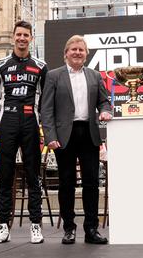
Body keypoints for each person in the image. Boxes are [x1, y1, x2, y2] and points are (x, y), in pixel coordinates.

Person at [41, 35, 112, 245]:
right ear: (66, 53)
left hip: (89, 133)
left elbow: (104, 101)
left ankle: (91, 229)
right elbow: (46, 110)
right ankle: (69, 228)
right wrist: (50, 136)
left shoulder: (95, 76)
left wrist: (105, 111)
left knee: (91, 183)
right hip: (64, 136)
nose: (77, 52)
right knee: (66, 183)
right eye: (73, 49)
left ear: (86, 54)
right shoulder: (54, 76)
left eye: (81, 49)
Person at [0, 20, 47, 244]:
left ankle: (35, 225)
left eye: (26, 35)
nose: (22, 38)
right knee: (6, 175)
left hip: (31, 121)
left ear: (31, 38)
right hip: (8, 121)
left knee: (33, 175)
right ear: (13, 37)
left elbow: (45, 97)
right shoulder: (0, 65)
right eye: (19, 35)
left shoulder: (41, 66)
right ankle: (3, 227)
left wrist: (37, 117)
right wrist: (5, 116)